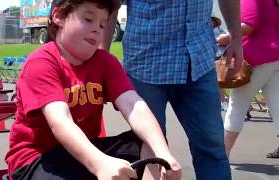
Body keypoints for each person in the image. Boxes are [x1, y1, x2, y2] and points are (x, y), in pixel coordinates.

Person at [5, 0, 182, 180]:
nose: (97, 29)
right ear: (58, 17)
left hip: (84, 150)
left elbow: (133, 105)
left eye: (103, 24)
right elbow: (60, 121)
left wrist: (163, 153)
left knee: (151, 144)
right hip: (37, 159)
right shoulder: (41, 62)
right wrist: (100, 163)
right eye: (88, 19)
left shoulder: (105, 62)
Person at [104, 0, 243, 179]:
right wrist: (102, 59)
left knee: (212, 150)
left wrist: (237, 38)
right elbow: (111, 4)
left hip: (198, 62)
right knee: (150, 151)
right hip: (146, 64)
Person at [218, 0, 279, 158]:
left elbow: (248, 25)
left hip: (257, 58)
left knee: (237, 106)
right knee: (277, 106)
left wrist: (226, 38)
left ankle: (222, 155)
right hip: (275, 57)